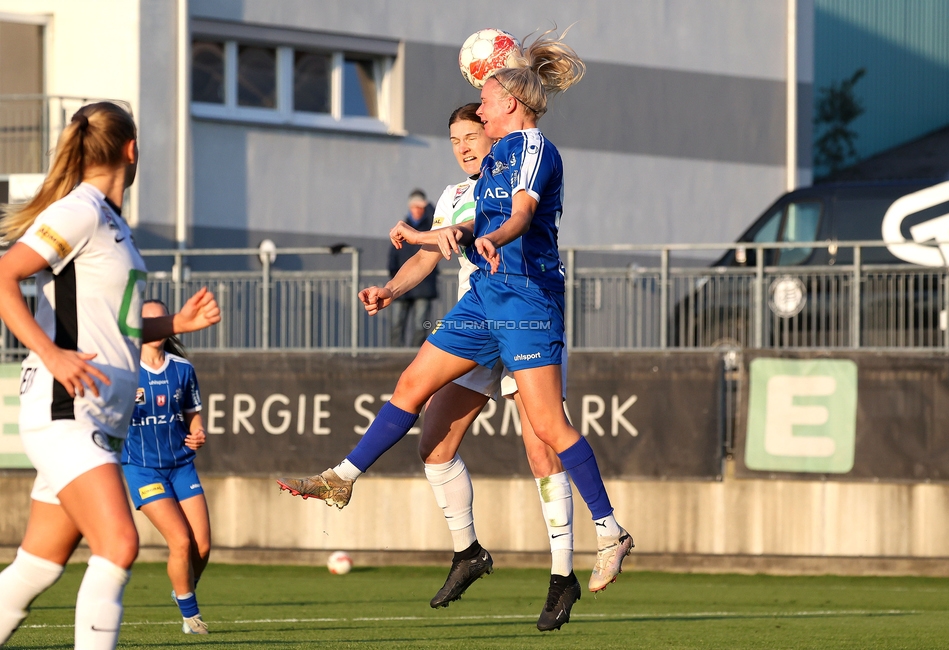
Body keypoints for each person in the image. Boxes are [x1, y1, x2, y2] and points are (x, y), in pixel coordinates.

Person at [280, 25, 632, 607]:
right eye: (458, 134)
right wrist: (417, 245)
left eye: (485, 105)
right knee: (412, 389)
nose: (475, 119)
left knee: (544, 432)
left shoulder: (533, 148)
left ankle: (603, 537)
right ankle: (343, 478)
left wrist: (493, 236)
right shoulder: (485, 170)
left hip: (525, 299)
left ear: (508, 106)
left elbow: (519, 215)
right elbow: (464, 228)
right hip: (483, 301)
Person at [0, 101, 220, 650]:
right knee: (119, 544)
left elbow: (113, 322)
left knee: (38, 567)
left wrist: (174, 323)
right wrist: (50, 353)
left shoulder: (112, 221)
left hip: (96, 415)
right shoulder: (83, 210)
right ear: (131, 149)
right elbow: (5, 274)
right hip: (66, 409)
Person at [122, 299, 211, 635]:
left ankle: (182, 590)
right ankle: (191, 616)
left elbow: (193, 413)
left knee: (202, 546)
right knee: (180, 540)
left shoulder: (182, 368)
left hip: (181, 466)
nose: (156, 325)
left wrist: (198, 432)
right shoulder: (124, 369)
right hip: (142, 468)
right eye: (148, 319)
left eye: (161, 318)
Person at [388, 189, 437, 347]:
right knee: (397, 323)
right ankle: (394, 356)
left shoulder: (431, 225)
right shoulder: (402, 228)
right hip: (403, 285)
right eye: (414, 207)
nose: (417, 210)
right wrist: (397, 278)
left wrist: (428, 204)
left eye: (420, 207)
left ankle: (416, 356)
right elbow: (392, 257)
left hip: (423, 285)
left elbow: (439, 216)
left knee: (420, 325)